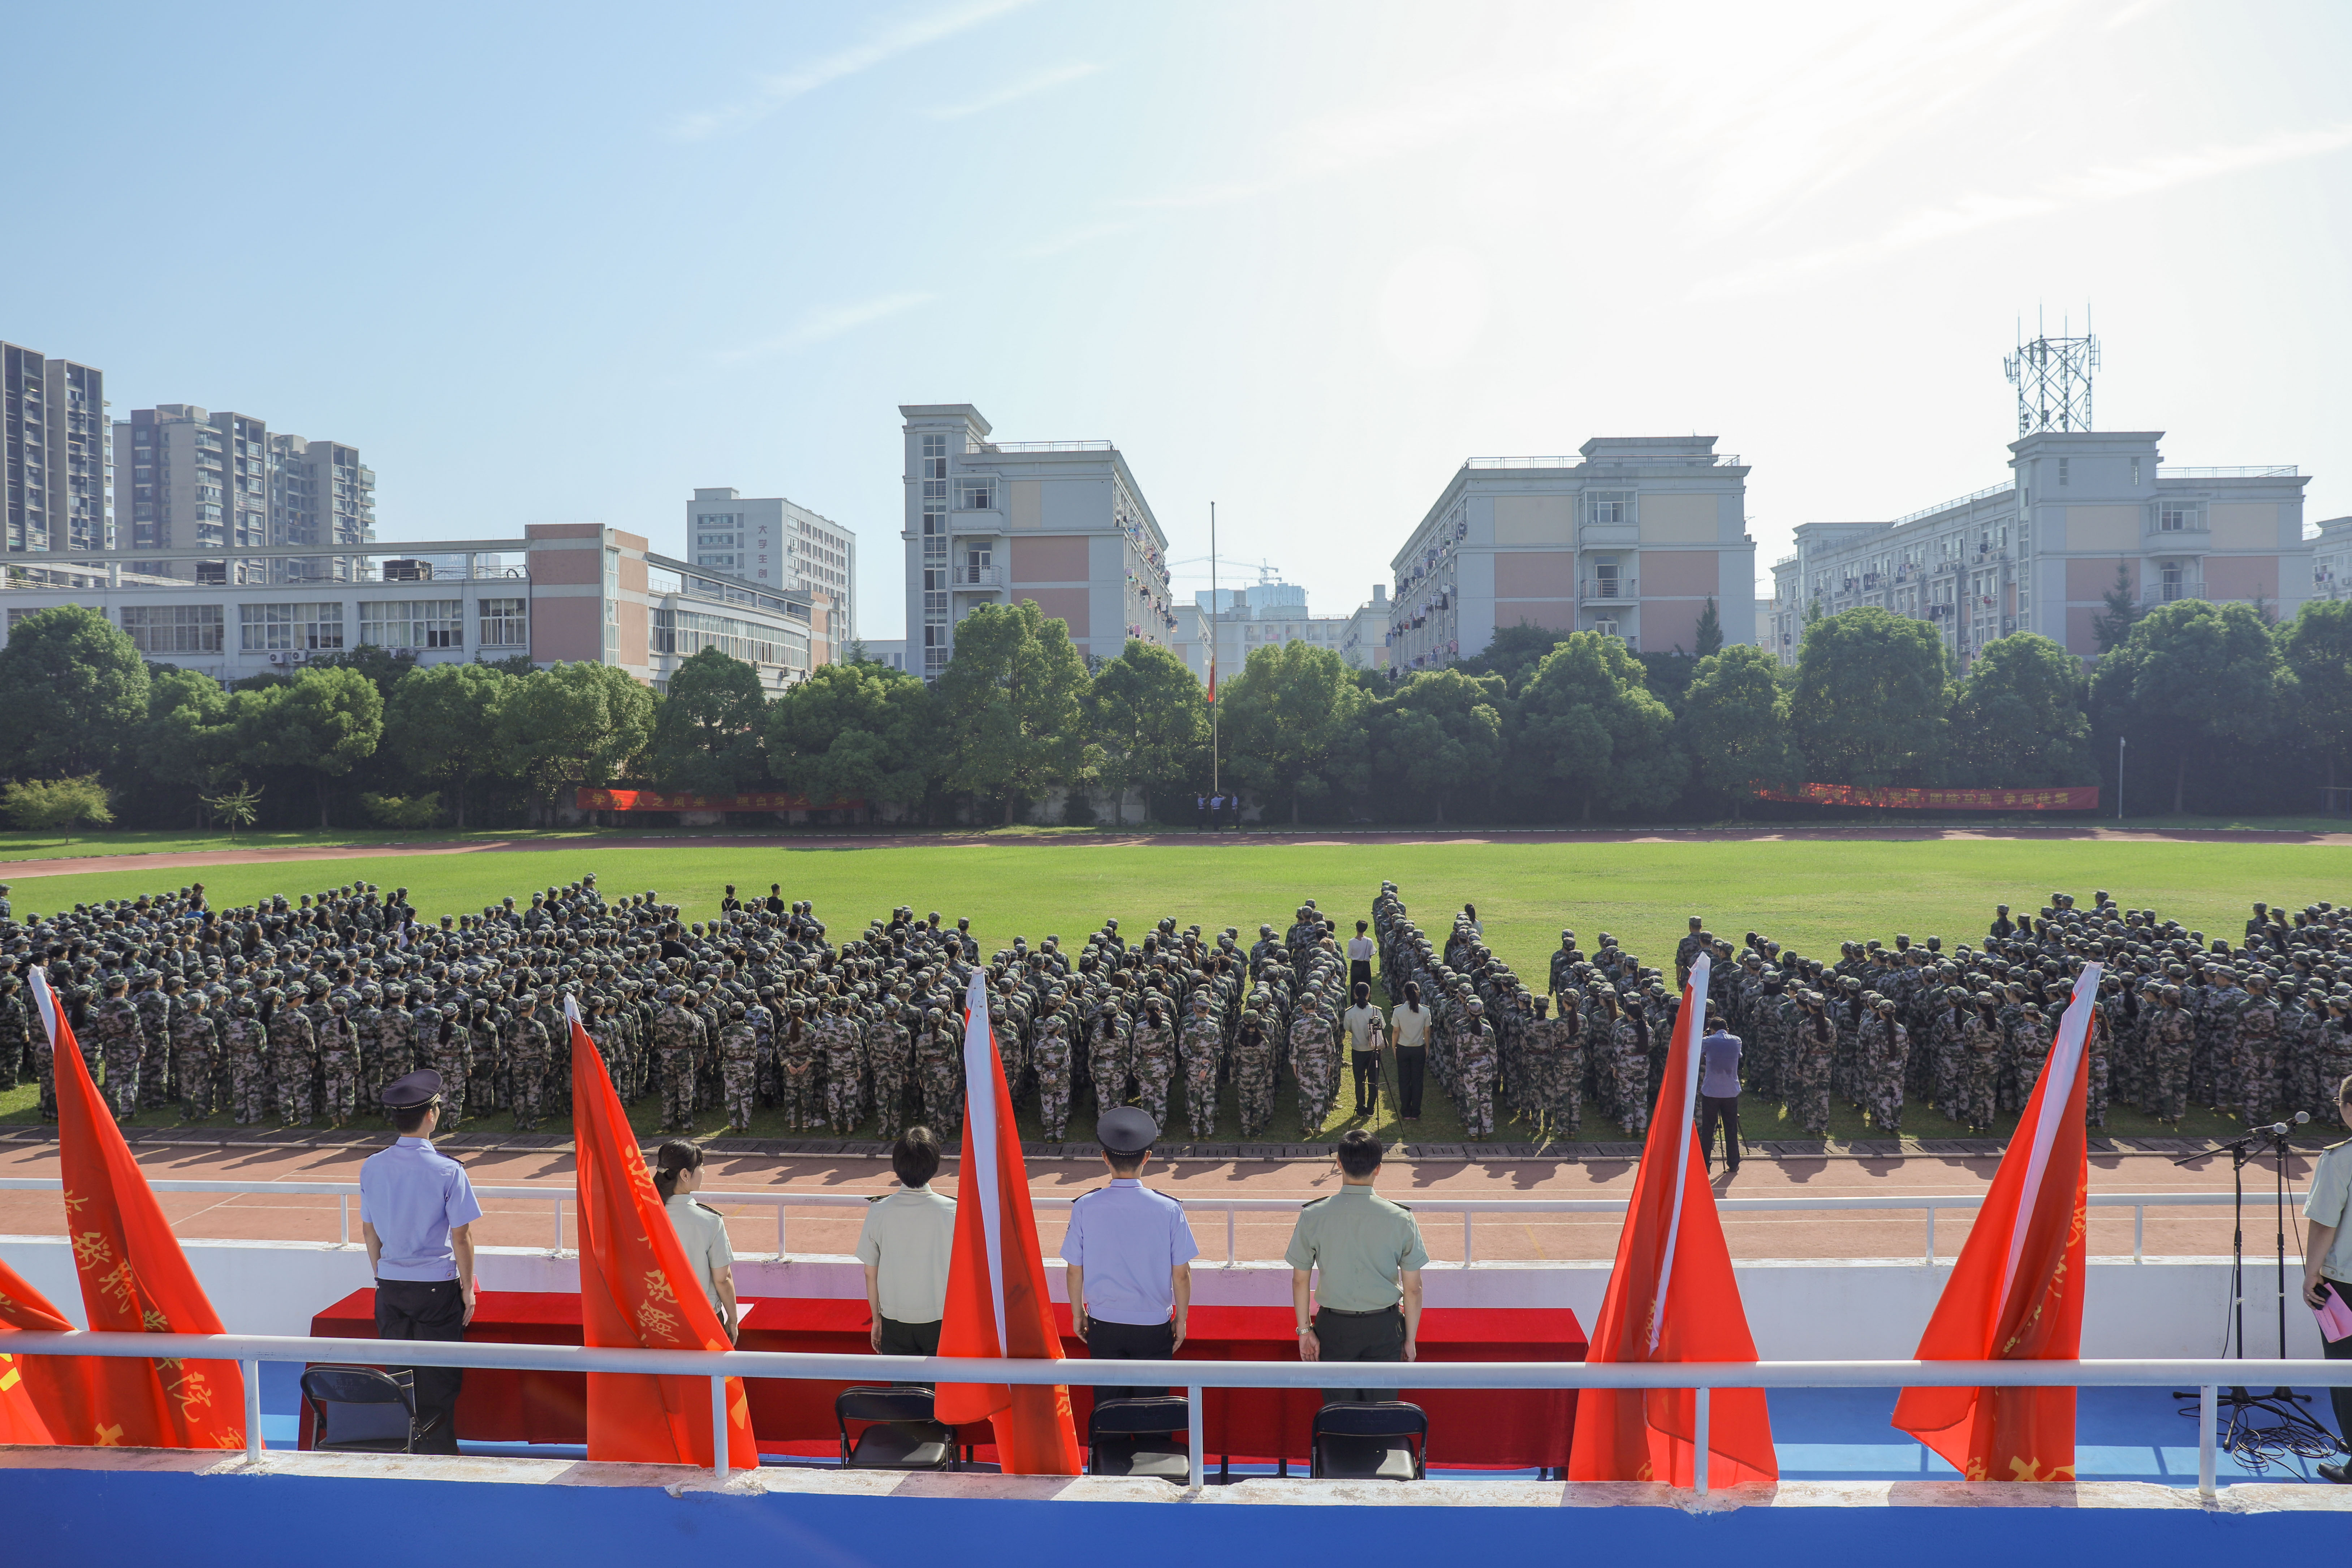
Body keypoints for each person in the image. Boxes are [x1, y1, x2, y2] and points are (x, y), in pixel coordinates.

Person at [358, 1070, 480, 1454]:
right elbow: (461, 1236)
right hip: (436, 1288)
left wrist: (383, 1275)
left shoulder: (372, 1166)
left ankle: (404, 1449)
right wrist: (468, 1288)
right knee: (439, 1378)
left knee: (399, 1375)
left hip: (391, 1286)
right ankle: (438, 1454)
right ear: (431, 1115)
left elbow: (370, 1233)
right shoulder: (448, 1169)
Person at [1063, 1106, 1198, 1401]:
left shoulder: (1085, 1205)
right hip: (1153, 1326)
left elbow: (1074, 1269)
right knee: (1153, 1407)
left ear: (1105, 1157)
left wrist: (1077, 1313)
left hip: (1103, 1324)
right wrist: (1181, 1320)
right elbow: (1181, 1274)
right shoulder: (1169, 1208)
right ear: (1146, 1157)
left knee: (1109, 1407)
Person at [1287, 1129, 1426, 1404]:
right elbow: (1413, 1288)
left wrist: (1305, 1331)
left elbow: (1300, 1280)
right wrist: (1410, 1339)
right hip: (1384, 1328)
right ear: (1378, 1168)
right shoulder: (1401, 1218)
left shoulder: (1313, 1215)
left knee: (1339, 1413)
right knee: (1381, 1413)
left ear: (1339, 1163)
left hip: (1334, 1328)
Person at [856, 1126, 957, 1357]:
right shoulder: (954, 1211)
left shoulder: (879, 1210)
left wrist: (877, 1320)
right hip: (942, 1320)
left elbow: (870, 1273)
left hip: (895, 1322)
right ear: (935, 1165)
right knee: (941, 1382)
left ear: (897, 1167)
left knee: (901, 1382)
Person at [2301, 1073, 2352, 1483]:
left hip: (2345, 1284)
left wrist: (2310, 1275)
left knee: (2345, 1374)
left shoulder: (2340, 1159)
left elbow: (2324, 1224)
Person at [655, 1140, 738, 1341]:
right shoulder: (710, 1221)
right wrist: (733, 1320)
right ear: (685, 1175)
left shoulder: (643, 1215)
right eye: (700, 1166)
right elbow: (722, 1279)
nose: (703, 1171)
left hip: (657, 1317)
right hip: (703, 1318)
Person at [1697, 1009, 1743, 1175]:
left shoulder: (1707, 1041)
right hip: (1731, 1091)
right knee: (1731, 1128)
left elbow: (1699, 1056)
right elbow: (1739, 1056)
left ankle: (1705, 1164)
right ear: (1727, 1029)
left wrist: (1705, 1036)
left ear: (1712, 1030)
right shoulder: (1737, 1041)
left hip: (1712, 1090)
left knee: (1708, 1129)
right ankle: (1734, 1163)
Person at [1341, 983, 1384, 1118]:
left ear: (1355, 994)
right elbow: (1382, 1027)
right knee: (1373, 1081)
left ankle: (1360, 1109)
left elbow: (1347, 1028)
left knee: (1359, 1081)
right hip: (1373, 1050)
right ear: (1368, 994)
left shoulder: (1350, 1012)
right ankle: (1371, 1109)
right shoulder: (1376, 1012)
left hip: (1358, 1050)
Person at [1390, 980, 1430, 1120]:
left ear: (1404, 994)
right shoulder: (1425, 1011)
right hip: (1418, 1048)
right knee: (1418, 1081)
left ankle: (1406, 1111)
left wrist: (1394, 1047)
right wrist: (1427, 1047)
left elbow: (1396, 1032)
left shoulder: (1398, 1011)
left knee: (1404, 1080)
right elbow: (1427, 1032)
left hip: (1403, 1048)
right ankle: (1416, 1111)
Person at [1346, 921, 1376, 995]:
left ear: (1356, 928)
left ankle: (1354, 1000)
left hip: (1355, 965)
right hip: (1366, 965)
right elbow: (1372, 953)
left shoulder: (1352, 942)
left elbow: (1349, 955)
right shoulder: (1369, 941)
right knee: (1367, 986)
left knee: (1355, 986)